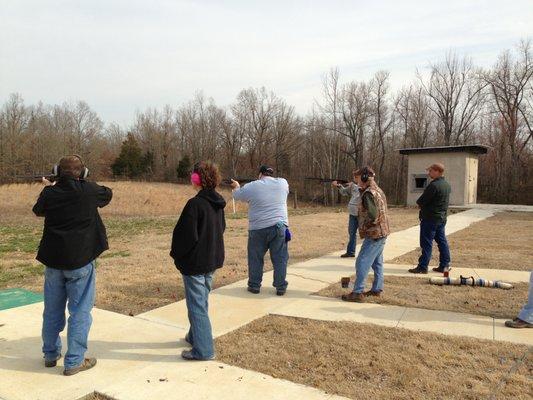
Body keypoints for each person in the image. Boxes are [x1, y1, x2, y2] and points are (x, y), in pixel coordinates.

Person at [33, 155, 112, 376]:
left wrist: (51, 187)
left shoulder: (50, 193)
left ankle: (50, 354)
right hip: (81, 260)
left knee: (52, 310)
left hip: (53, 261)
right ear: (83, 173)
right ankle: (74, 361)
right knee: (80, 312)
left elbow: (38, 210)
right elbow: (107, 194)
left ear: (57, 171)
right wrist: (81, 185)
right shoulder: (88, 190)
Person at [170, 161, 226, 360]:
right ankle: (195, 335)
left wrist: (176, 255)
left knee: (197, 305)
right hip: (211, 259)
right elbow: (222, 229)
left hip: (196, 263)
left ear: (197, 179)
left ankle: (204, 350)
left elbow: (184, 236)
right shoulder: (218, 203)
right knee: (201, 301)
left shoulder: (195, 204)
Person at [231, 165, 289, 296]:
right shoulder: (283, 183)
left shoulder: (252, 186)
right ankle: (280, 287)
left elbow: (237, 196)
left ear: (260, 174)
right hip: (280, 227)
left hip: (258, 228)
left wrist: (236, 186)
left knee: (255, 258)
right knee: (280, 258)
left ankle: (254, 285)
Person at [342, 167, 390, 302]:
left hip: (374, 234)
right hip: (382, 232)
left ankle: (357, 292)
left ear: (364, 178)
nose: (355, 182)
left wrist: (364, 225)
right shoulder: (377, 190)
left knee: (362, 261)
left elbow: (373, 215)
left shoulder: (368, 193)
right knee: (377, 262)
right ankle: (376, 289)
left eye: (356, 178)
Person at [408, 163, 452, 274]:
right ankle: (445, 265)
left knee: (426, 243)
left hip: (430, 219)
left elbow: (421, 201)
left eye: (431, 171)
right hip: (441, 218)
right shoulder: (446, 185)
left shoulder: (433, 186)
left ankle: (423, 267)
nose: (429, 173)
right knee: (442, 242)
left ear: (437, 171)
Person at [332, 170, 361, 258]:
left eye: (356, 177)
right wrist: (338, 186)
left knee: (366, 234)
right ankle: (350, 252)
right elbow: (344, 192)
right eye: (354, 177)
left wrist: (354, 185)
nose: (354, 178)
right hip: (352, 214)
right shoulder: (352, 187)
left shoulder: (365, 187)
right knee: (352, 233)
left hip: (361, 214)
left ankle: (367, 254)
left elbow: (361, 192)